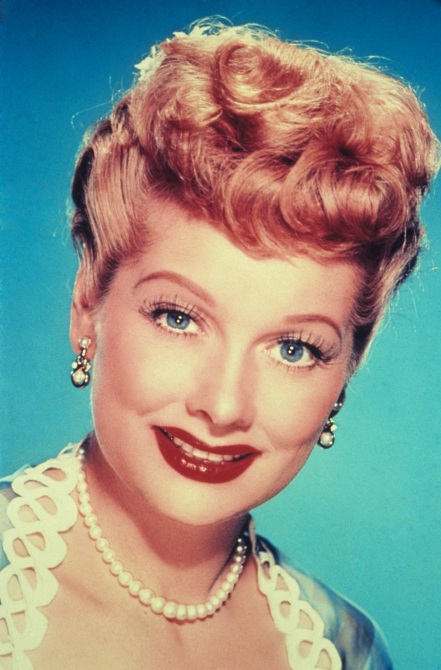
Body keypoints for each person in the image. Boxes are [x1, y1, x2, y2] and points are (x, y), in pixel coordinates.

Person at [0, 19, 439, 670]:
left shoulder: (346, 650)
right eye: (178, 317)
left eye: (294, 349)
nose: (224, 405)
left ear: (347, 369)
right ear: (88, 301)